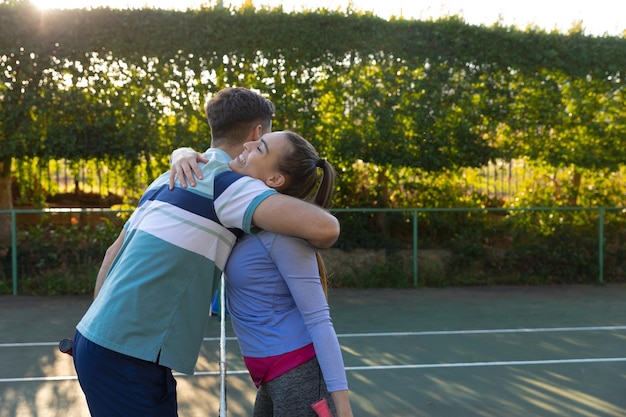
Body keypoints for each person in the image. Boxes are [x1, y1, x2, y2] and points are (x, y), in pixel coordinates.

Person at [72, 87, 340, 417]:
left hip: (94, 338)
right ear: (255, 133)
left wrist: (180, 152)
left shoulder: (164, 180)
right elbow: (326, 227)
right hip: (129, 354)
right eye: (264, 138)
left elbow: (112, 253)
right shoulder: (230, 185)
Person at [171, 131, 353, 417]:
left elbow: (319, 319)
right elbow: (208, 163)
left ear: (275, 180)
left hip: (298, 375)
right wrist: (181, 153)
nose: (247, 144)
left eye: (261, 147)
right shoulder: (245, 219)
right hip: (269, 377)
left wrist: (343, 410)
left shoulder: (286, 236)